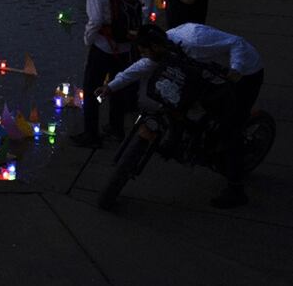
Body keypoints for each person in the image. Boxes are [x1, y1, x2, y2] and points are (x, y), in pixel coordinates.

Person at [95, 23, 264, 208]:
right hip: (207, 74)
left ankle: (236, 190)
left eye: (145, 51)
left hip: (245, 73)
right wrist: (110, 87)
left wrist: (236, 68)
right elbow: (143, 66)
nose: (144, 56)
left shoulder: (194, 39)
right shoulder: (163, 49)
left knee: (230, 130)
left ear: (155, 46)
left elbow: (237, 43)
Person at [72, 0, 133, 147]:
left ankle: (91, 134)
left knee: (91, 89)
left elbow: (96, 20)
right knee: (116, 87)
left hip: (104, 47)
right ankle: (116, 128)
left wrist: (87, 40)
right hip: (124, 45)